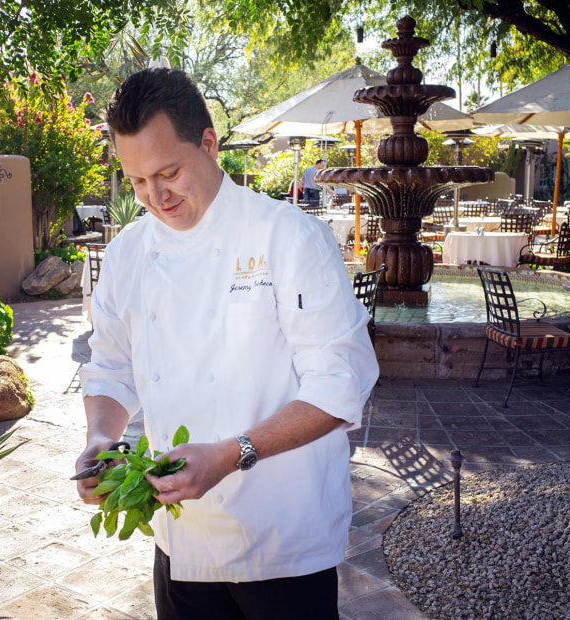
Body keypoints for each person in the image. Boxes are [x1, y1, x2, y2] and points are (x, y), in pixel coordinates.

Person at [75, 67, 379, 620]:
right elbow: (111, 365)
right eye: (138, 181)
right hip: (181, 541)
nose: (154, 196)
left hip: (284, 540)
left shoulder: (290, 238)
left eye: (168, 172)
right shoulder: (126, 256)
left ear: (209, 144)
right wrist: (101, 438)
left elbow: (341, 385)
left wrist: (229, 455)